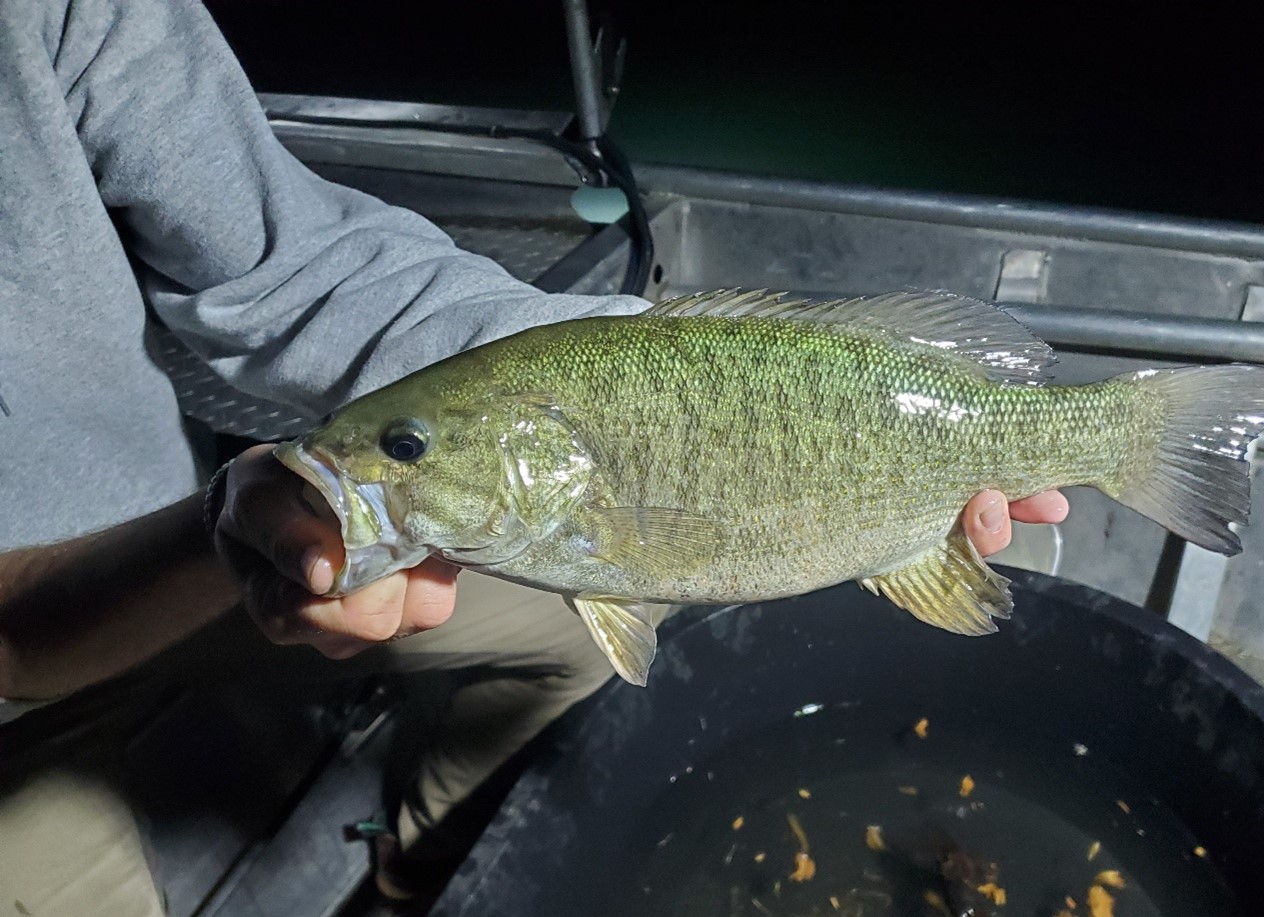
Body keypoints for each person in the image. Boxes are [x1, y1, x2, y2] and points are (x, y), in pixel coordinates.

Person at [0, 0, 1070, 914]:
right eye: (401, 448)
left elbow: (291, 257)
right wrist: (219, 531)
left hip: (201, 534)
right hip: (24, 699)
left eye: (402, 446)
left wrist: (633, 373)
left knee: (573, 642)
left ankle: (405, 877)